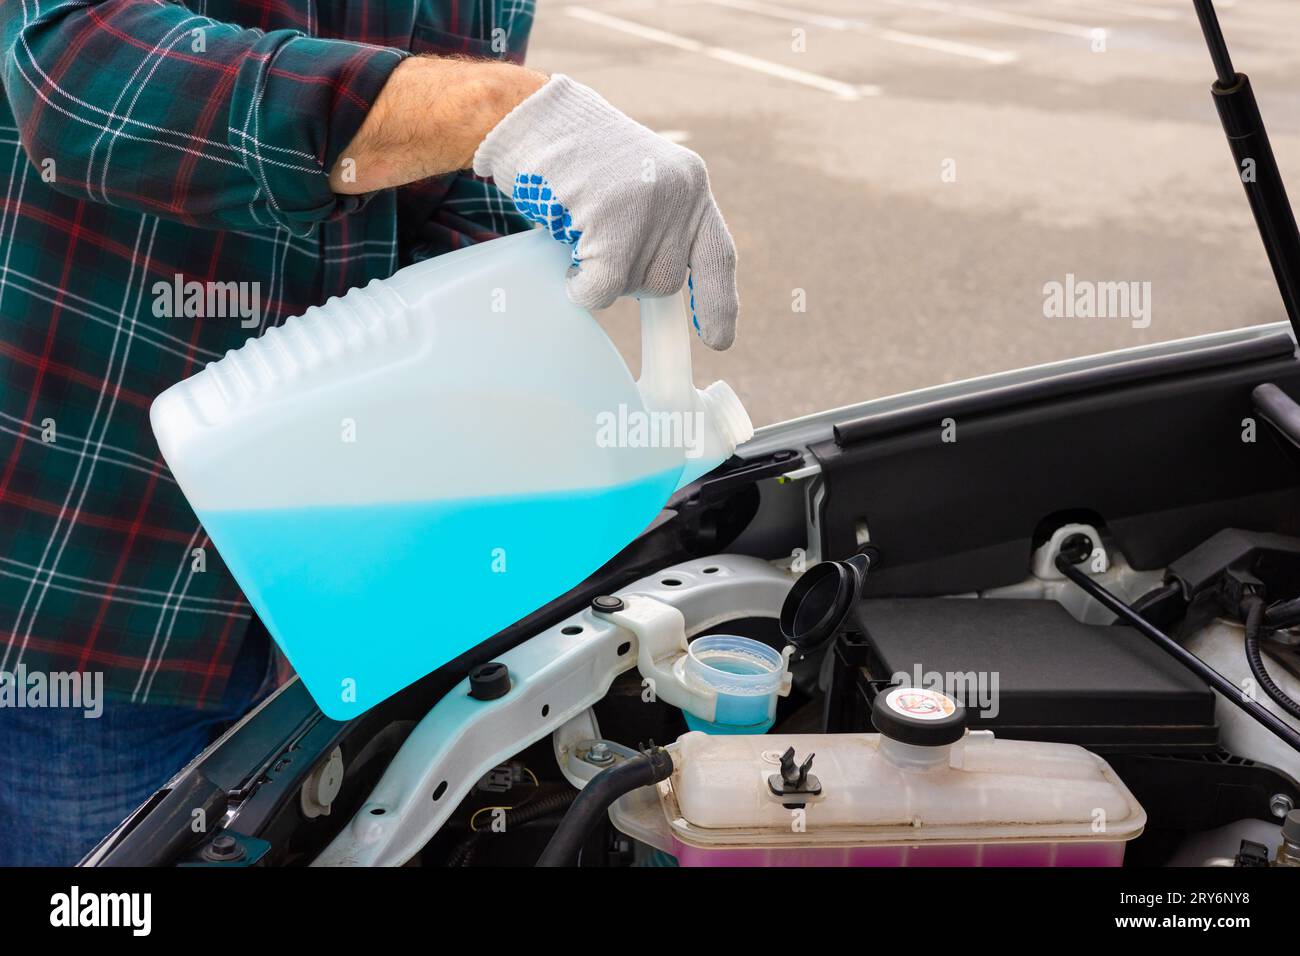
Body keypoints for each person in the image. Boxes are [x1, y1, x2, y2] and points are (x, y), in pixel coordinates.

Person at [0, 0, 737, 866]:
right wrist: (493, 108)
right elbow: (78, 74)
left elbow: (467, 197)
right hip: (97, 588)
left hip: (343, 601)